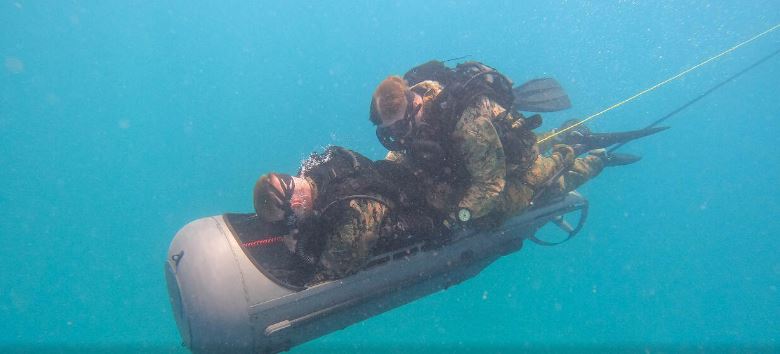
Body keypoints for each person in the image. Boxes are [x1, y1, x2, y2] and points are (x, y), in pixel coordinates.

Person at [369, 61, 651, 229]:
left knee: (515, 202)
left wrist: (458, 217)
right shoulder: (417, 110)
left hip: (515, 164)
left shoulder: (467, 123)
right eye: (389, 129)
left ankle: (577, 151)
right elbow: (405, 152)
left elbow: (490, 186)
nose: (398, 135)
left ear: (412, 106)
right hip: (479, 157)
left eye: (398, 126)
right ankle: (564, 134)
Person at [253, 146, 440, 281]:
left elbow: (334, 271)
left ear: (296, 202)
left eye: (289, 219)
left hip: (415, 212)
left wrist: (297, 251)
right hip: (390, 177)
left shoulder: (350, 212)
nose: (289, 226)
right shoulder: (313, 169)